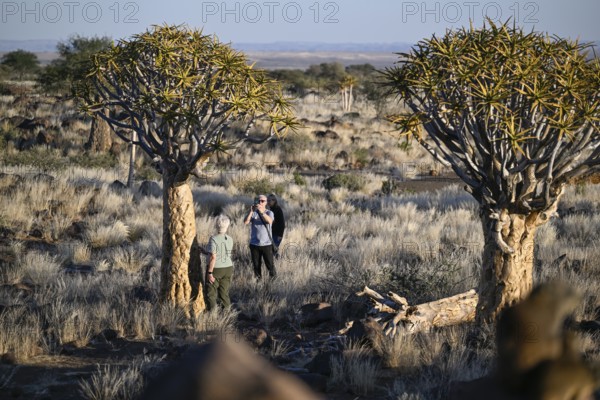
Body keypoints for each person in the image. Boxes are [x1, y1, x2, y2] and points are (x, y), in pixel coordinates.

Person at [204, 215, 234, 310]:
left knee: (211, 293)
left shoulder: (213, 239)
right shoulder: (230, 239)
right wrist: (205, 252)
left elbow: (213, 257)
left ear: (216, 225)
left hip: (216, 268)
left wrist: (209, 272)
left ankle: (212, 316)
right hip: (228, 268)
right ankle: (227, 314)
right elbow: (223, 253)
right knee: (224, 293)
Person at [244, 194, 276, 279]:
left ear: (266, 203)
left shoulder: (269, 212)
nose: (260, 202)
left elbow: (269, 221)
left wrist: (262, 213)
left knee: (270, 266)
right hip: (254, 244)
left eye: (262, 201)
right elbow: (246, 222)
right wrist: (251, 211)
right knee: (256, 267)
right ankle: (259, 284)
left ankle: (273, 283)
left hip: (266, 244)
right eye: (259, 200)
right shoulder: (253, 213)